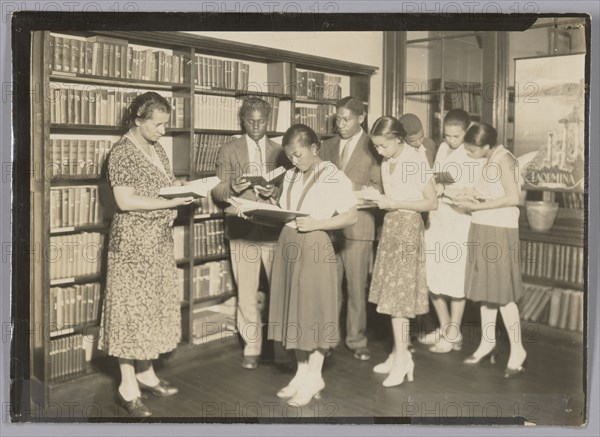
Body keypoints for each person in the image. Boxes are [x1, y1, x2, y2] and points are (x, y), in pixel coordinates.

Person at [99, 92, 194, 417]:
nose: (163, 131)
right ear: (138, 120)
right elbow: (126, 201)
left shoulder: (155, 149)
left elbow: (160, 186)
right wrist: (171, 202)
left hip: (158, 242)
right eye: (158, 124)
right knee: (130, 313)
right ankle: (128, 387)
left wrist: (183, 188)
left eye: (166, 124)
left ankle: (146, 372)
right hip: (132, 246)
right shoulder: (121, 153)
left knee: (152, 308)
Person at [268, 124, 358, 406]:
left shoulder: (334, 176)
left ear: (315, 149)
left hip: (315, 244)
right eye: (290, 156)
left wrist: (318, 223)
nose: (294, 161)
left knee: (313, 312)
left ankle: (315, 376)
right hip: (289, 243)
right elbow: (288, 208)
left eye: (298, 155)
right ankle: (302, 372)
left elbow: (351, 216)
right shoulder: (292, 175)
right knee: (293, 310)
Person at [211, 96, 286, 370]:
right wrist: (233, 188)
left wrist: (274, 191)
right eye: (250, 121)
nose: (256, 126)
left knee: (280, 291)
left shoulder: (281, 150)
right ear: (242, 120)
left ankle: (281, 346)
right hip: (242, 229)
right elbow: (217, 190)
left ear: (269, 120)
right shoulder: (229, 149)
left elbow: (289, 190)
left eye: (262, 121)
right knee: (246, 293)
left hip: (273, 230)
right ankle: (252, 346)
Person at [368, 116, 438, 387]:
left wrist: (393, 202)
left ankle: (404, 360)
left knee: (401, 300)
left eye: (382, 146)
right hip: (392, 227)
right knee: (390, 295)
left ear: (398, 138)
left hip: (408, 227)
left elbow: (431, 203)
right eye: (375, 146)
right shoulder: (388, 161)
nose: (379, 151)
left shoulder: (414, 161)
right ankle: (398, 352)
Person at [454, 123, 527, 378]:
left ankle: (518, 350)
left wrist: (475, 207)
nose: (469, 153)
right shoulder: (490, 159)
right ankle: (488, 342)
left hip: (498, 231)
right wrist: (468, 194)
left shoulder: (505, 159)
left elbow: (513, 198)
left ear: (487, 145)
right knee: (487, 292)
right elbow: (489, 191)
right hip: (483, 227)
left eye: (473, 149)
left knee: (502, 294)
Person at [319, 96, 382, 361]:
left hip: (359, 226)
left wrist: (354, 193)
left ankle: (356, 340)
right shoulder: (327, 145)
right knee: (330, 287)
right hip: (331, 227)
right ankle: (328, 339)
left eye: (346, 119)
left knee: (357, 288)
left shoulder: (374, 146)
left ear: (361, 118)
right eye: (337, 119)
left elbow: (380, 187)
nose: (340, 125)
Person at [421, 109, 484, 353]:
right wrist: (435, 186)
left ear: (467, 132)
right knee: (431, 274)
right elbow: (438, 179)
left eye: (456, 136)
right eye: (447, 135)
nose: (451, 140)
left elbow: (472, 193)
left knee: (455, 278)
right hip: (437, 219)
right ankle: (445, 327)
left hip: (458, 221)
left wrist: (444, 191)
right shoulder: (442, 148)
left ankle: (454, 330)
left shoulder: (473, 154)